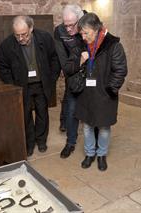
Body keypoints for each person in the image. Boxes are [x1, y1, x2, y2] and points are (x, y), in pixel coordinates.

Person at [0, 15, 60, 157]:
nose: (20, 38)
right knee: (25, 115)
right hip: (22, 86)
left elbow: (54, 58)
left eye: (24, 34)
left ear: (31, 28)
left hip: (42, 83)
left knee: (42, 112)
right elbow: (2, 66)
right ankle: (29, 144)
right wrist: (12, 85)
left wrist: (52, 78)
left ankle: (41, 140)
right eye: (17, 35)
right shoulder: (7, 45)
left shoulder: (44, 38)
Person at [76, 12, 127, 171]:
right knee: (87, 126)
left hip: (105, 94)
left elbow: (120, 70)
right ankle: (90, 153)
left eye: (86, 33)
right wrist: (80, 62)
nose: (83, 37)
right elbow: (74, 67)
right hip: (87, 94)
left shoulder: (113, 45)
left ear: (96, 29)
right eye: (81, 33)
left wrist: (110, 89)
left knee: (104, 127)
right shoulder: (83, 44)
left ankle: (101, 154)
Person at [54, 4, 86, 158]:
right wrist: (79, 61)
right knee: (71, 110)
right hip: (72, 76)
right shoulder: (60, 31)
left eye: (71, 25)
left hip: (91, 77)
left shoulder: (90, 23)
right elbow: (65, 67)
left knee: (93, 111)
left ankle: (95, 147)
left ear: (80, 20)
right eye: (65, 25)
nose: (68, 29)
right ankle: (70, 143)